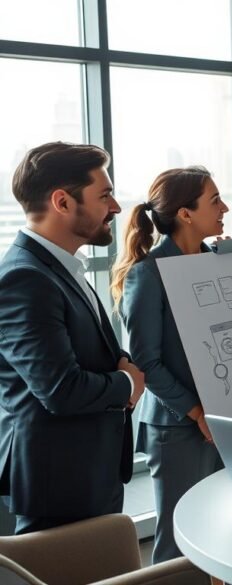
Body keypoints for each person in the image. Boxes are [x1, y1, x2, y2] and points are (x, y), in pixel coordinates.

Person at [0, 142, 144, 534]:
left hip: (89, 475)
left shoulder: (58, 268)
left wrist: (123, 367)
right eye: (105, 195)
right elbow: (60, 389)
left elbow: (93, 349)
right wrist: (128, 382)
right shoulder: (24, 279)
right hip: (59, 486)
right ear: (62, 202)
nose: (115, 207)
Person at [110, 166, 228, 563]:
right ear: (185, 213)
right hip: (177, 426)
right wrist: (197, 411)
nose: (225, 207)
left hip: (223, 419)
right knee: (178, 542)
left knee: (222, 529)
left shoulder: (217, 262)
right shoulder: (148, 274)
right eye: (215, 201)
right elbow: (146, 361)